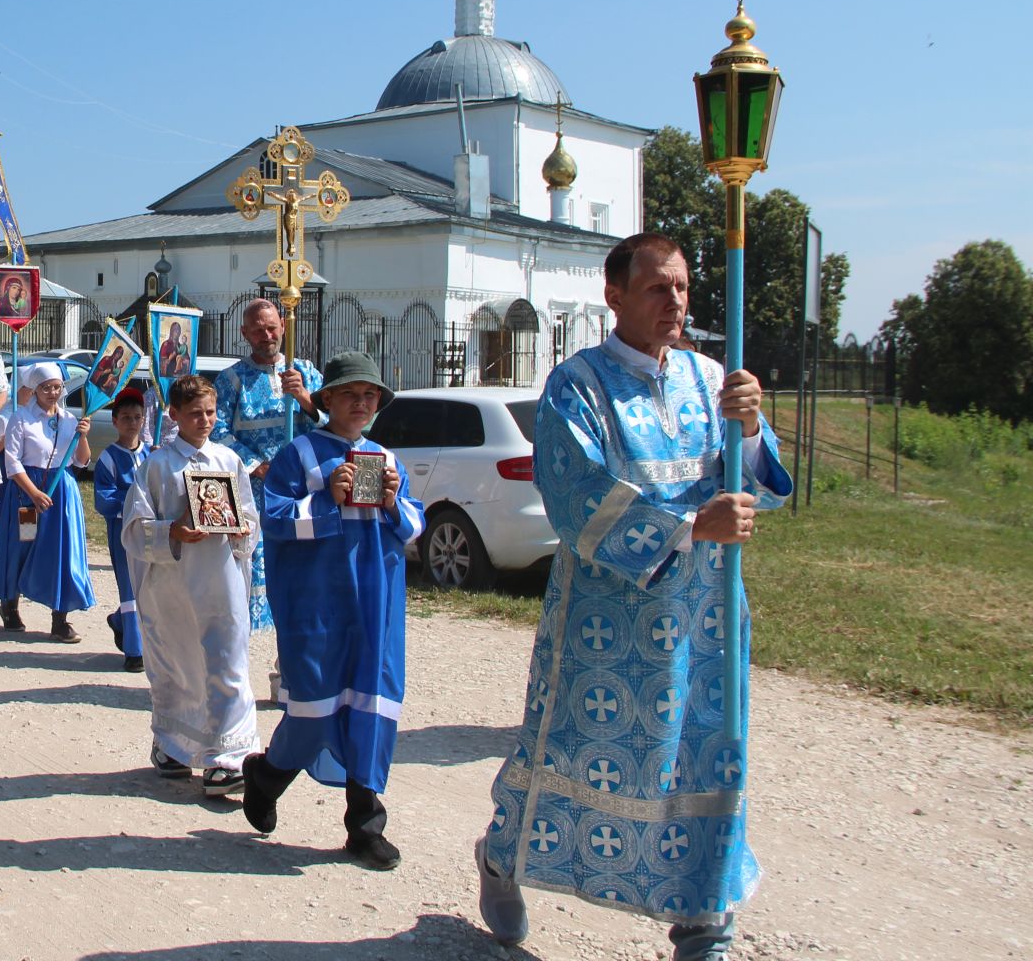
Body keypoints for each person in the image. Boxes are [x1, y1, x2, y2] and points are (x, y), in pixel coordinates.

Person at [473, 233, 791, 959]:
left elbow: (755, 488)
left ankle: (705, 917)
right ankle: (503, 854)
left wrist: (748, 428)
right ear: (613, 296)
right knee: (571, 755)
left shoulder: (714, 376)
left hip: (705, 617)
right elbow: (576, 497)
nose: (673, 301)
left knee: (708, 755)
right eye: (656, 288)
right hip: (608, 628)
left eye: (681, 287)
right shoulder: (577, 385)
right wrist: (686, 525)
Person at [242, 352, 424, 872]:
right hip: (318, 602)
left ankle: (364, 825)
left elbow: (413, 527)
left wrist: (391, 504)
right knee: (315, 706)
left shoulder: (386, 458)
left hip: (375, 601)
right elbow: (272, 518)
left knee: (373, 704)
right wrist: (326, 503)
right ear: (326, 400)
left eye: (370, 395)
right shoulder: (298, 453)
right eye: (350, 394)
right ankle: (269, 774)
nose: (361, 403)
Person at [119, 373, 259, 797]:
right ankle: (174, 746)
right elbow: (134, 529)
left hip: (221, 580)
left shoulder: (229, 462)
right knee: (178, 667)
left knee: (228, 663)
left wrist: (239, 531)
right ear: (174, 415)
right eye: (195, 413)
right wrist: (173, 532)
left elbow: (250, 518)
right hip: (174, 585)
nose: (205, 421)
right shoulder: (157, 466)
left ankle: (228, 758)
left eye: (211, 413)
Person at [212, 298, 324, 652]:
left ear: (284, 327)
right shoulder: (231, 379)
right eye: (258, 330)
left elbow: (330, 421)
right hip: (254, 490)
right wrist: (257, 465)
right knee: (251, 571)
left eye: (272, 327)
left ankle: (289, 671)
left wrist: (304, 397)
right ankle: (238, 662)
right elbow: (217, 431)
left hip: (300, 488)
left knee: (302, 574)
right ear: (245, 333)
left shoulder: (305, 372)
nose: (266, 335)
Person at [0, 362, 94, 641]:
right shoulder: (21, 418)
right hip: (27, 493)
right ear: (34, 389)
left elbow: (82, 461)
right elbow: (11, 462)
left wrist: (83, 436)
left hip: (61, 492)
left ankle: (60, 616)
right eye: (46, 387)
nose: (52, 393)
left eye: (57, 387)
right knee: (24, 544)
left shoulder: (69, 420)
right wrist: (33, 492)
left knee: (61, 550)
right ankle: (10, 604)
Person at [92, 389, 152, 672]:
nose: (132, 422)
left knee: (151, 586)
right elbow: (103, 500)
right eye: (125, 417)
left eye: (137, 417)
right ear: (114, 421)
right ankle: (134, 651)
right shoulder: (108, 458)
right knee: (129, 586)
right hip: (123, 530)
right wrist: (132, 503)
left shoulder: (152, 455)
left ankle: (122, 623)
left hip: (151, 531)